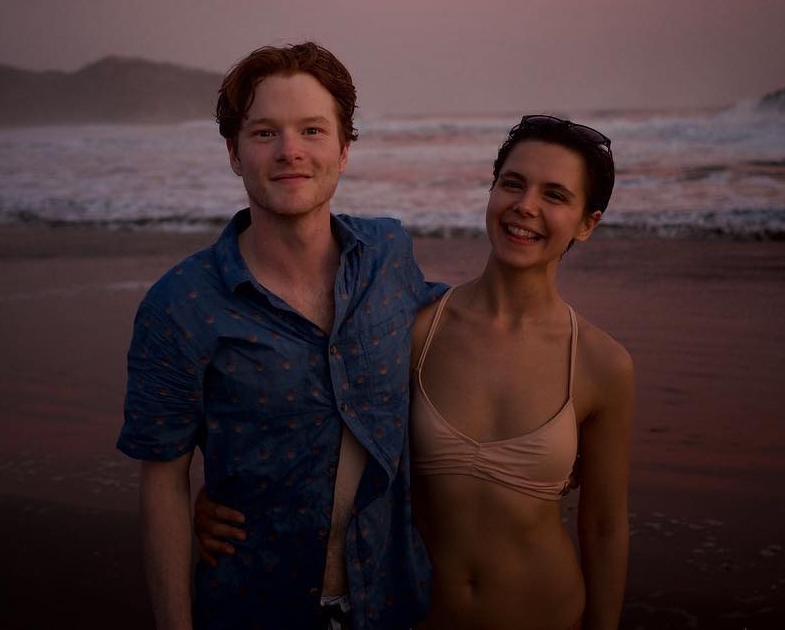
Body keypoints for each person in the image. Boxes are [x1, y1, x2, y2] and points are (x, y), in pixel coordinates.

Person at [197, 114, 634, 629]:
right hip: (416, 617)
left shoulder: (602, 364)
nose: (526, 206)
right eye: (512, 184)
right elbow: (322, 426)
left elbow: (604, 526)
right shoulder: (416, 329)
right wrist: (220, 492)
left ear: (588, 221)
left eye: (556, 195)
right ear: (491, 191)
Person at [117, 42, 444, 630]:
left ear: (344, 150)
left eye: (313, 130)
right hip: (254, 607)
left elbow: (467, 321)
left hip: (392, 606)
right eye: (265, 133)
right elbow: (163, 481)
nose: (291, 151)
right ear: (234, 154)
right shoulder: (181, 305)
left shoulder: (388, 256)